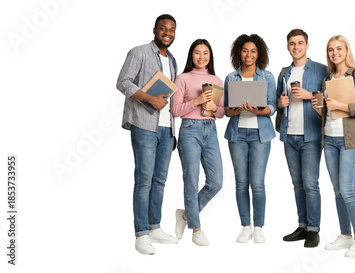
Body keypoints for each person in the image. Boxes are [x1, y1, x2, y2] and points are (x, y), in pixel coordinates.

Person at [116, 14, 179, 255]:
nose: (167, 32)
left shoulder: (172, 60)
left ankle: (155, 227)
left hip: (165, 129)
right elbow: (123, 82)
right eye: (163, 28)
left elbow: (170, 97)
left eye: (172, 29)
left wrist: (172, 131)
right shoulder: (139, 52)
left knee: (159, 181)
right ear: (155, 30)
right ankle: (141, 233)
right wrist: (148, 97)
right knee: (144, 180)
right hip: (144, 125)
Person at [311, 35, 355, 258]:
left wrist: (340, 105)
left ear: (346, 50)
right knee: (337, 191)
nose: (334, 53)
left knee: (347, 190)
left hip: (350, 140)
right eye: (330, 49)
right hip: (330, 139)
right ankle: (345, 235)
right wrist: (320, 110)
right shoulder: (326, 78)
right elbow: (327, 112)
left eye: (339, 48)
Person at [276, 29, 329, 248]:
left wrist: (310, 95)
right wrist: (280, 103)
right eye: (292, 43)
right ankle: (303, 225)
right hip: (289, 135)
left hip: (311, 136)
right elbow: (278, 103)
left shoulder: (321, 70)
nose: (296, 47)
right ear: (288, 47)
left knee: (310, 184)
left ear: (307, 45)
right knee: (297, 184)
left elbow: (329, 102)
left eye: (300, 43)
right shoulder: (283, 72)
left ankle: (314, 230)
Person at [224, 34, 276, 244]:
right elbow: (226, 110)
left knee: (258, 184)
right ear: (239, 52)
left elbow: (272, 106)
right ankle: (245, 226)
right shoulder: (231, 78)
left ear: (259, 54)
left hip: (260, 135)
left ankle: (259, 227)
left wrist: (259, 110)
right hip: (237, 135)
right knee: (240, 183)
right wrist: (235, 109)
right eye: (245, 50)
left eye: (253, 51)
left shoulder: (267, 77)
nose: (249, 55)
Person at [172, 39, 224, 247]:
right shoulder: (182, 78)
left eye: (205, 53)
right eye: (197, 53)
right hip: (190, 130)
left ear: (210, 56)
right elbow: (175, 110)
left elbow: (220, 113)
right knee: (191, 182)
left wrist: (212, 106)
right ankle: (196, 229)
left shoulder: (216, 79)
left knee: (216, 181)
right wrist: (197, 101)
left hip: (210, 130)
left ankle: (185, 215)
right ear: (191, 55)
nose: (201, 57)